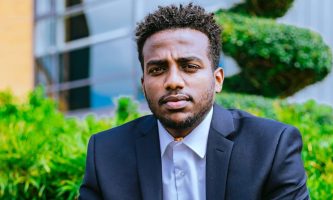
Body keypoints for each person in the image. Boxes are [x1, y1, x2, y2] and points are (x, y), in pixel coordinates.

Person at [79, 3, 309, 200]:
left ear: (217, 80)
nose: (173, 81)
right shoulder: (106, 152)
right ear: (143, 83)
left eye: (189, 67)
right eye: (157, 69)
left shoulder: (271, 147)